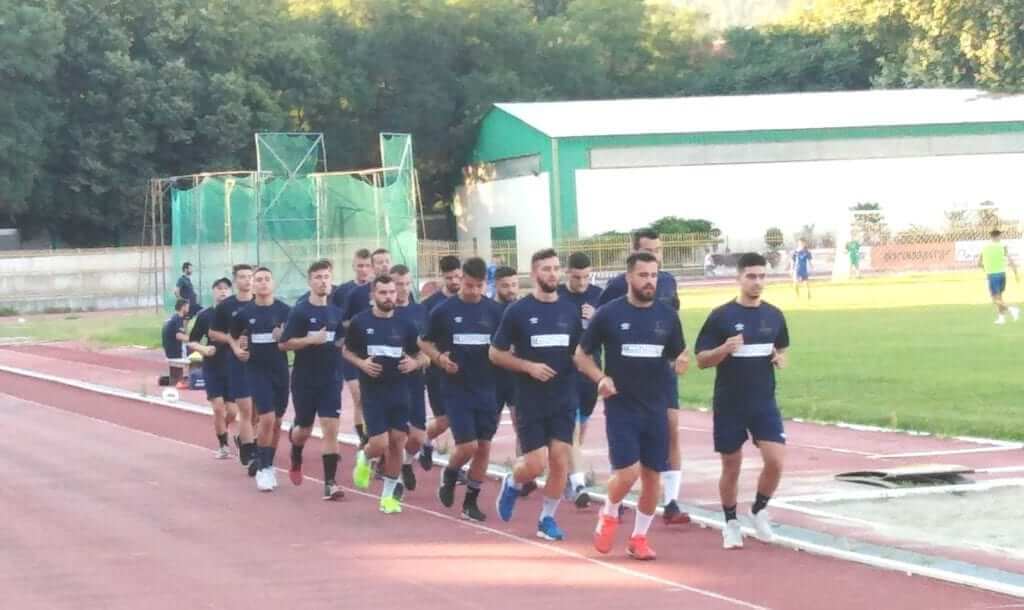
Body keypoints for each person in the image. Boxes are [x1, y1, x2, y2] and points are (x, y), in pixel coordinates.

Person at [575, 252, 690, 560]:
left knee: (653, 478)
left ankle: (639, 538)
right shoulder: (609, 314)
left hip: (656, 405)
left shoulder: (667, 316)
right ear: (629, 277)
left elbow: (678, 355)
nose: (649, 281)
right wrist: (601, 378)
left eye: (653, 275)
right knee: (628, 473)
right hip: (622, 405)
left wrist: (681, 363)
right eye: (643, 275)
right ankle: (609, 512)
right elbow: (581, 355)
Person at [695, 252, 790, 549]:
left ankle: (758, 510)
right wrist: (723, 349)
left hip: (763, 402)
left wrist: (780, 358)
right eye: (751, 276)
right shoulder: (721, 316)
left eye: (762, 276)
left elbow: (781, 348)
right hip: (730, 404)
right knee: (731, 465)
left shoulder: (774, 315)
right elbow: (701, 360)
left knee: (776, 461)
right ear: (739, 278)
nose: (757, 282)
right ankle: (731, 522)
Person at [492, 249, 583, 541]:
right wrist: (528, 367)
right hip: (530, 398)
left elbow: (579, 351)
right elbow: (495, 353)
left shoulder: (569, 310)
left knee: (560, 459)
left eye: (556, 268)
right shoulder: (518, 311)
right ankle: (512, 482)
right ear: (533, 274)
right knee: (535, 464)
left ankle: (547, 519)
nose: (553, 274)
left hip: (564, 396)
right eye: (546, 269)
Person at [598, 228, 688, 525]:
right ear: (634, 253)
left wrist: (679, 356)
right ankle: (618, 493)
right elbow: (601, 324)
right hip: (625, 380)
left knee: (671, 428)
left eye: (659, 251)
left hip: (660, 373)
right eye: (650, 251)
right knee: (626, 449)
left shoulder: (668, 281)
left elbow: (673, 321)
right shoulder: (616, 287)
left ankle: (671, 500)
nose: (656, 257)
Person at [419, 257, 503, 522]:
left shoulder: (495, 311)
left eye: (479, 286)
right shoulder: (443, 311)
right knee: (468, 446)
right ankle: (450, 472)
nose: (474, 291)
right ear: (461, 280)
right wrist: (440, 359)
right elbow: (424, 342)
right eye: (469, 285)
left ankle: (470, 502)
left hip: (488, 388)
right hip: (456, 388)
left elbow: (505, 346)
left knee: (484, 447)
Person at [344, 275, 427, 514]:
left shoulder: (406, 325)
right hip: (373, 392)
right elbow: (347, 351)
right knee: (380, 443)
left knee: (397, 442)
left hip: (400, 391)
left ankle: (388, 497)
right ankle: (365, 456)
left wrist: (415, 363)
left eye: (392, 292)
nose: (389, 296)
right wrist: (362, 364)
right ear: (373, 295)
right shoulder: (360, 322)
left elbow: (423, 354)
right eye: (383, 293)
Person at [280, 259, 346, 500]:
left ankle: (330, 483)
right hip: (305, 379)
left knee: (331, 428)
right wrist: (311, 340)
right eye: (318, 277)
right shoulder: (300, 311)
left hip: (331, 378)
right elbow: (284, 344)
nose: (323, 281)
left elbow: (340, 339)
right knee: (303, 430)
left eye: (326, 277)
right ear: (310, 281)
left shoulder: (337, 312)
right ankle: (296, 452)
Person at [230, 267, 291, 492]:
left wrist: (284, 337)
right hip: (256, 371)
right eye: (259, 280)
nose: (263, 283)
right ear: (253, 285)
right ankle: (263, 468)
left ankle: (269, 463)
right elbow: (232, 336)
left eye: (267, 279)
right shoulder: (245, 313)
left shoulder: (285, 310)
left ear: (273, 283)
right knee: (267, 418)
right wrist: (238, 349)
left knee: (277, 422)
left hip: (280, 371)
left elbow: (293, 339)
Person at [557, 252, 602, 509]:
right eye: (577, 277)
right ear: (567, 273)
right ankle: (578, 484)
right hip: (565, 373)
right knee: (571, 428)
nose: (582, 282)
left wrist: (596, 317)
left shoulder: (599, 296)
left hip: (591, 374)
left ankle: (568, 472)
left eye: (586, 277)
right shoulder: (558, 297)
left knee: (579, 431)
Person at [209, 264, 257, 472]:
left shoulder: (261, 302)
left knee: (258, 414)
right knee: (245, 410)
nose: (247, 280)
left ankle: (244, 440)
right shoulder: (226, 306)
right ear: (236, 281)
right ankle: (252, 454)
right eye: (243, 277)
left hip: (261, 363)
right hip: (237, 362)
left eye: (250, 276)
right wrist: (232, 340)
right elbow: (213, 333)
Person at [344, 248, 393, 448]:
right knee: (360, 398)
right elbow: (343, 321)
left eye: (387, 261)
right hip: (359, 356)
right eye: (379, 262)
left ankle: (379, 443)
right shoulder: (357, 293)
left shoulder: (397, 291)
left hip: (388, 356)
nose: (384, 265)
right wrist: (361, 327)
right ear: (373, 266)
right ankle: (365, 440)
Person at [418, 255, 462, 470]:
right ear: (441, 277)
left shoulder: (469, 301)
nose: (454, 281)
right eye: (449, 277)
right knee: (445, 420)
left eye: (457, 276)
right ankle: (425, 440)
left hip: (465, 371)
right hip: (437, 372)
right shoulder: (430, 305)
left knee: (463, 421)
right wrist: (437, 357)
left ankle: (457, 465)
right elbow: (422, 339)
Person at [187, 277, 238, 459]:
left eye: (226, 288)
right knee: (218, 408)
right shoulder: (205, 315)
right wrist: (204, 349)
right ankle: (223, 445)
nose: (223, 291)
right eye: (219, 288)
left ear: (231, 291)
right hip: (213, 367)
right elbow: (192, 341)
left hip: (233, 367)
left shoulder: (237, 314)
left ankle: (224, 428)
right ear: (213, 291)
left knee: (232, 411)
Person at [392, 264, 429, 493]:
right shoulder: (383, 312)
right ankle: (394, 482)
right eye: (399, 284)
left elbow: (431, 350)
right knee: (395, 435)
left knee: (417, 436)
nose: (404, 288)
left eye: (407, 283)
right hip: (388, 383)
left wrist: (417, 362)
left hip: (414, 381)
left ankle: (406, 462)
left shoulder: (421, 312)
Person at [978, 229, 1020, 325]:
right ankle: (1001, 318)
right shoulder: (1003, 246)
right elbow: (1010, 260)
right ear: (998, 236)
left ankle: (1012, 309)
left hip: (992, 275)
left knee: (994, 299)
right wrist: (1016, 273)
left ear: (991, 236)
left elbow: (979, 263)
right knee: (999, 297)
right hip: (1002, 274)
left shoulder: (985, 247)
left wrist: (986, 268)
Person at [162, 299, 191, 388]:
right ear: (183, 307)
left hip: (169, 351)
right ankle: (194, 379)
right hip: (175, 351)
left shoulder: (173, 317)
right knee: (196, 352)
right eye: (187, 306)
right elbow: (179, 336)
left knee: (190, 346)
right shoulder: (178, 318)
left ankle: (176, 379)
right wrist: (194, 339)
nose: (189, 308)